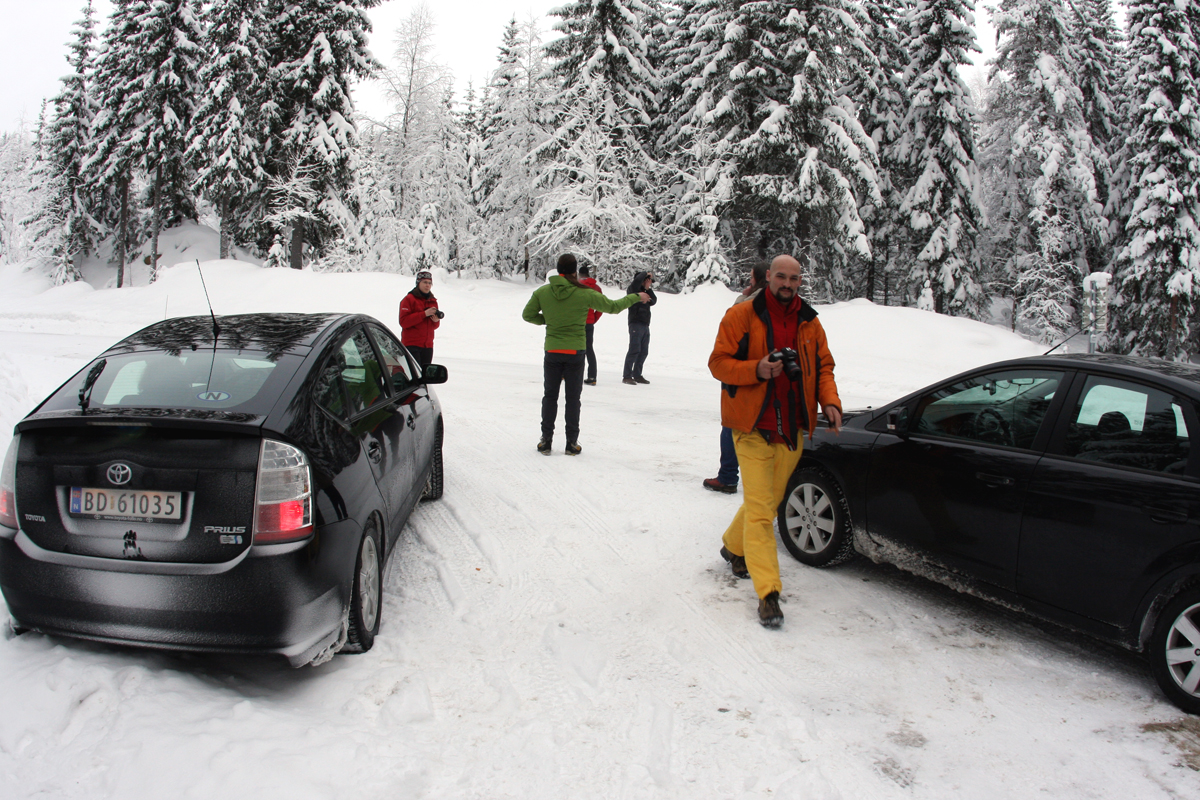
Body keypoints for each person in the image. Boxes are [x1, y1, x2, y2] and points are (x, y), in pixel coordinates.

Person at [708, 255, 842, 628]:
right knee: (764, 512)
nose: (787, 283)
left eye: (794, 278)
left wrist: (829, 402)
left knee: (765, 501)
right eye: (780, 276)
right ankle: (769, 593)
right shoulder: (742, 316)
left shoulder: (810, 322)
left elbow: (825, 366)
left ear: (801, 280)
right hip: (752, 427)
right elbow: (717, 362)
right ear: (768, 277)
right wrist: (757, 369)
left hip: (792, 429)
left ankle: (733, 546)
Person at [523, 254, 650, 455]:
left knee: (550, 396)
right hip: (575, 352)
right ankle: (571, 444)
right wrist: (637, 296)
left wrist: (548, 321)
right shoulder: (585, 293)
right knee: (573, 399)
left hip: (553, 351)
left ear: (558, 270)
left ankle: (546, 441)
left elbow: (527, 315)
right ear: (575, 272)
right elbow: (613, 307)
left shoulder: (543, 292)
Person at [704, 264, 768, 494]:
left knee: (732, 425)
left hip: (741, 372)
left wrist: (744, 295)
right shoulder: (778, 304)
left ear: (759, 280)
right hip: (762, 373)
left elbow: (732, 321)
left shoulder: (749, 304)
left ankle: (728, 477)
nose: (748, 282)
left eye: (751, 278)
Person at [399, 270, 441, 368]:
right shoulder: (409, 299)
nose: (427, 285)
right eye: (425, 282)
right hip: (411, 345)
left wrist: (436, 321)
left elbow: (434, 326)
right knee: (415, 376)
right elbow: (404, 322)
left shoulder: (432, 300)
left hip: (428, 345)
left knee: (425, 376)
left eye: (430, 283)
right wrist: (424, 314)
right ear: (418, 283)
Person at [622, 271, 656, 385]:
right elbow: (636, 281)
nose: (647, 282)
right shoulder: (633, 289)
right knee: (634, 350)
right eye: (645, 280)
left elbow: (654, 301)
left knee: (643, 351)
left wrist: (648, 288)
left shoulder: (646, 292)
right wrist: (646, 273)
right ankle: (627, 375)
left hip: (645, 324)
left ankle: (637, 374)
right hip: (635, 323)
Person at [579, 265, 603, 385]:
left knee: (575, 348)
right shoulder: (596, 288)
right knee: (589, 349)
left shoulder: (576, 286)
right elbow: (601, 307)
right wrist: (593, 319)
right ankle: (592, 376)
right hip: (589, 322)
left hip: (577, 322)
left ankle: (567, 374)